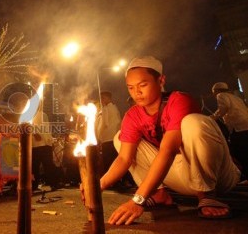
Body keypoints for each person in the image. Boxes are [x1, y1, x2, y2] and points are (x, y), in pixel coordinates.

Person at [100, 56, 241, 225]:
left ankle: (207, 195)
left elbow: (168, 150)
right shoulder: (132, 115)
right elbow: (124, 158)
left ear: (161, 80)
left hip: (218, 177)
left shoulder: (179, 100)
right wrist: (96, 186)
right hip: (181, 178)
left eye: (143, 85)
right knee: (119, 137)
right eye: (130, 88)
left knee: (194, 122)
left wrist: (137, 200)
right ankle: (159, 193)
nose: (136, 93)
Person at [210, 82, 248, 180]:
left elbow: (223, 108)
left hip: (238, 128)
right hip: (246, 126)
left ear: (216, 91)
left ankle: (245, 176)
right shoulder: (236, 97)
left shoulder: (221, 95)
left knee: (237, 152)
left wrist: (211, 118)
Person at [32, 109, 59, 191]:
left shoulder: (43, 114)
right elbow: (27, 126)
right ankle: (34, 185)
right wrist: (34, 133)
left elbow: (47, 129)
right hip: (35, 145)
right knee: (34, 166)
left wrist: (50, 141)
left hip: (46, 144)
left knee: (48, 165)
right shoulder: (29, 114)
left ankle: (53, 184)